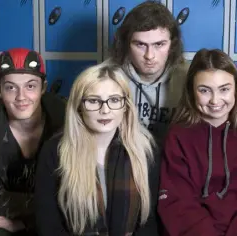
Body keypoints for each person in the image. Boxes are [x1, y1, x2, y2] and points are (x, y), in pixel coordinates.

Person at [157, 48, 237, 236]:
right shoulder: (177, 137)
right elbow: (176, 204)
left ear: (236, 90)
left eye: (224, 89)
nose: (215, 100)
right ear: (191, 91)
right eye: (205, 90)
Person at [34, 64, 160, 236]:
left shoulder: (146, 149)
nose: (105, 110)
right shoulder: (55, 151)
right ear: (78, 106)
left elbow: (150, 222)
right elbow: (48, 225)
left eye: (114, 100)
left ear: (126, 105)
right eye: (93, 101)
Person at [0, 48, 66, 236]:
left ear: (43, 88)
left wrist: (24, 223)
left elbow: (74, 193)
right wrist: (19, 218)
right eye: (11, 87)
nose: (21, 97)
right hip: (1, 214)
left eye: (30, 86)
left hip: (55, 216)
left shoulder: (65, 119)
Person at [109, 1, 189, 142]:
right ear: (126, 44)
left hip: (173, 159)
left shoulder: (190, 78)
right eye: (140, 44)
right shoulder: (107, 77)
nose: (149, 56)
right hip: (124, 157)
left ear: (172, 45)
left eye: (159, 44)